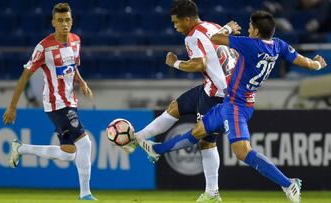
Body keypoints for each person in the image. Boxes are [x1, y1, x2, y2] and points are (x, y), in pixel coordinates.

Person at [137, 10, 327, 203]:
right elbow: (305, 62)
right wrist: (317, 65)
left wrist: (227, 28)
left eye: (250, 27)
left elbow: (215, 38)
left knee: (242, 152)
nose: (248, 29)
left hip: (237, 106)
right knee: (198, 131)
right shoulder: (278, 45)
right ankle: (157, 150)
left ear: (256, 31)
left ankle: (288, 183)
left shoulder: (250, 44)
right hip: (232, 102)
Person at [122, 0, 240, 202]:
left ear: (187, 19)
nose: (175, 27)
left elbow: (198, 64)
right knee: (175, 107)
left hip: (217, 96)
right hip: (214, 87)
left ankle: (212, 193)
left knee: (206, 141)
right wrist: (229, 27)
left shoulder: (192, 37)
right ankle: (136, 139)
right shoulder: (211, 26)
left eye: (176, 22)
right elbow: (225, 38)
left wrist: (174, 62)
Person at [3, 3, 97, 200]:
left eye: (68, 20)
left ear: (72, 21)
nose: (65, 24)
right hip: (56, 103)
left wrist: (81, 81)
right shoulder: (44, 47)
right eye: (60, 20)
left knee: (69, 153)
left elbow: (72, 65)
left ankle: (21, 148)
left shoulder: (76, 41)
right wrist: (12, 106)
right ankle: (85, 194)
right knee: (85, 143)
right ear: (53, 22)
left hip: (71, 100)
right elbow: (24, 76)